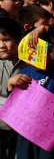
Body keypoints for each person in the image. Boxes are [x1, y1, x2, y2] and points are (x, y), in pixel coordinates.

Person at [9, 5, 54, 159]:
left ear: (50, 48)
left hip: (50, 133)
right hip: (26, 132)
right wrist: (11, 85)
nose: (31, 55)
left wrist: (44, 29)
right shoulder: (23, 72)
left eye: (36, 50)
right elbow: (14, 105)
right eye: (27, 51)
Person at [0, 17, 25, 159]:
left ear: (17, 40)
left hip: (20, 128)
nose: (2, 45)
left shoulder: (27, 65)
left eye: (6, 40)